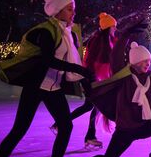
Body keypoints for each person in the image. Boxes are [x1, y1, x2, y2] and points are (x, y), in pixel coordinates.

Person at [0, 0, 94, 157]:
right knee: (19, 130)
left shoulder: (69, 32)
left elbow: (72, 62)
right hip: (36, 85)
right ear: (57, 11)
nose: (73, 12)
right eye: (69, 9)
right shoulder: (46, 31)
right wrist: (80, 70)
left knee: (66, 126)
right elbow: (48, 60)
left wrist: (86, 82)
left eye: (73, 8)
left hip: (53, 88)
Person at [49, 12, 118, 149]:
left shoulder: (104, 40)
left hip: (95, 79)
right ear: (108, 27)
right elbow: (98, 63)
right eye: (114, 26)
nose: (116, 29)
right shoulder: (101, 41)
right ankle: (88, 136)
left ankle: (66, 127)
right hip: (93, 79)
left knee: (90, 106)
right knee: (95, 106)